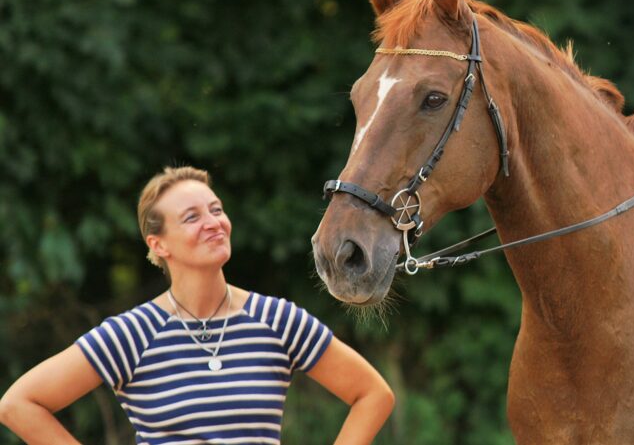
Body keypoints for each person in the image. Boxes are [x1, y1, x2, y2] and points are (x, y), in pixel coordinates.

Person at [0, 165, 394, 445]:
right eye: (191, 217)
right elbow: (18, 404)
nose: (213, 222)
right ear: (159, 245)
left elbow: (373, 395)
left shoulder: (276, 319)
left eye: (216, 209)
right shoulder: (132, 335)